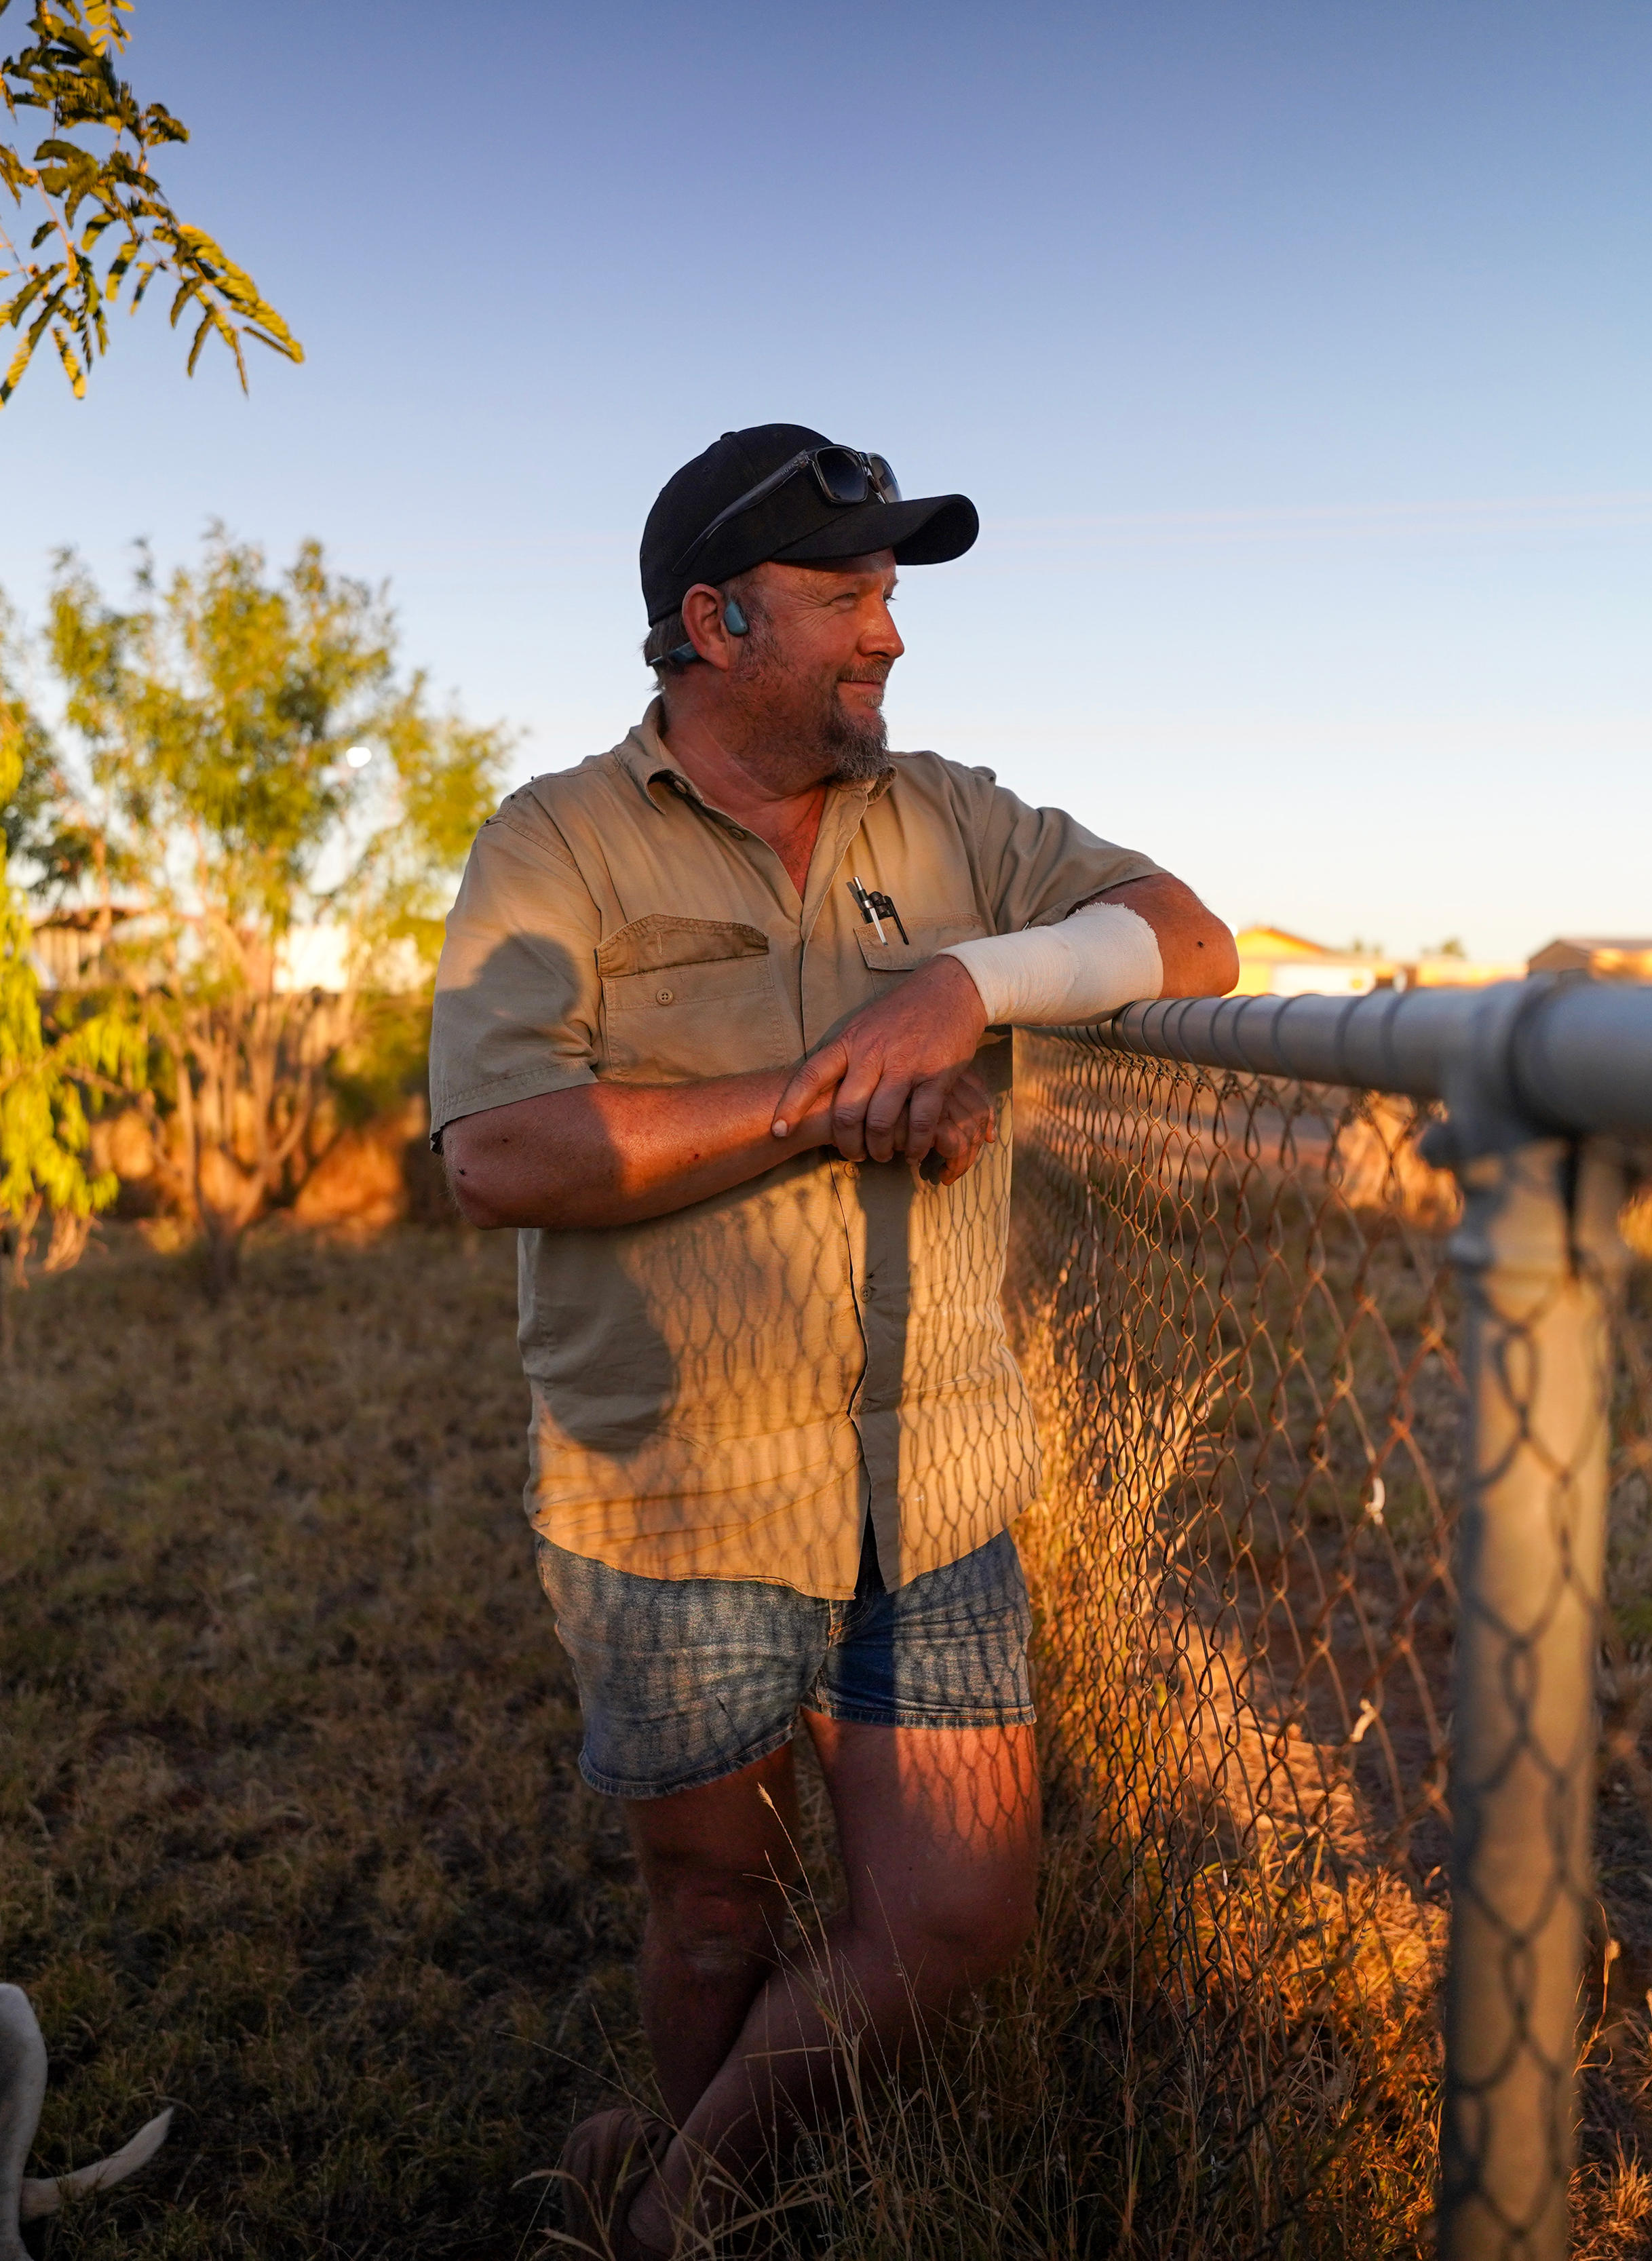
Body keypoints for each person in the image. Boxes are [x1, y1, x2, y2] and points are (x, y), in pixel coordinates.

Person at [427, 424, 1237, 2257]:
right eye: (849, 595)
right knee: (712, 1915)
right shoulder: (553, 844)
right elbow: (498, 1154)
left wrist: (968, 983)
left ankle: (679, 2188)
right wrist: (822, 1097)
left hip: (934, 1482)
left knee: (959, 1916)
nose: (889, 635)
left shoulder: (959, 824)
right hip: (674, 1493)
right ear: (713, 622)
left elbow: (1190, 934)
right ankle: (723, 2213)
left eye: (891, 595)